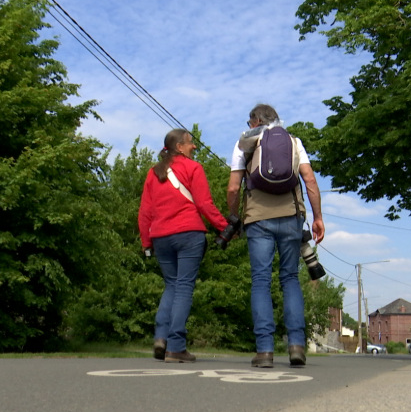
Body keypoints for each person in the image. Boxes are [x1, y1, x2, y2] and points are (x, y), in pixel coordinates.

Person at [226, 104, 325, 368]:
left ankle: (265, 351)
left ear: (256, 121)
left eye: (250, 122)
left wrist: (234, 217)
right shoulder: (294, 142)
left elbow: (234, 187)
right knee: (290, 278)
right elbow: (310, 181)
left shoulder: (244, 143)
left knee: (261, 281)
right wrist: (317, 217)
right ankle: (296, 347)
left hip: (258, 219)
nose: (249, 127)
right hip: (292, 216)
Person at [139, 129, 228, 363]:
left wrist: (146, 242)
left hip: (161, 237)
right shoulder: (193, 168)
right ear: (179, 147)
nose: (194, 147)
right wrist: (224, 227)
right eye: (191, 143)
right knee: (184, 287)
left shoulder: (153, 173)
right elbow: (204, 204)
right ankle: (176, 346)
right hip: (188, 234)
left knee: (172, 285)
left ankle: (161, 337)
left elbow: (145, 212)